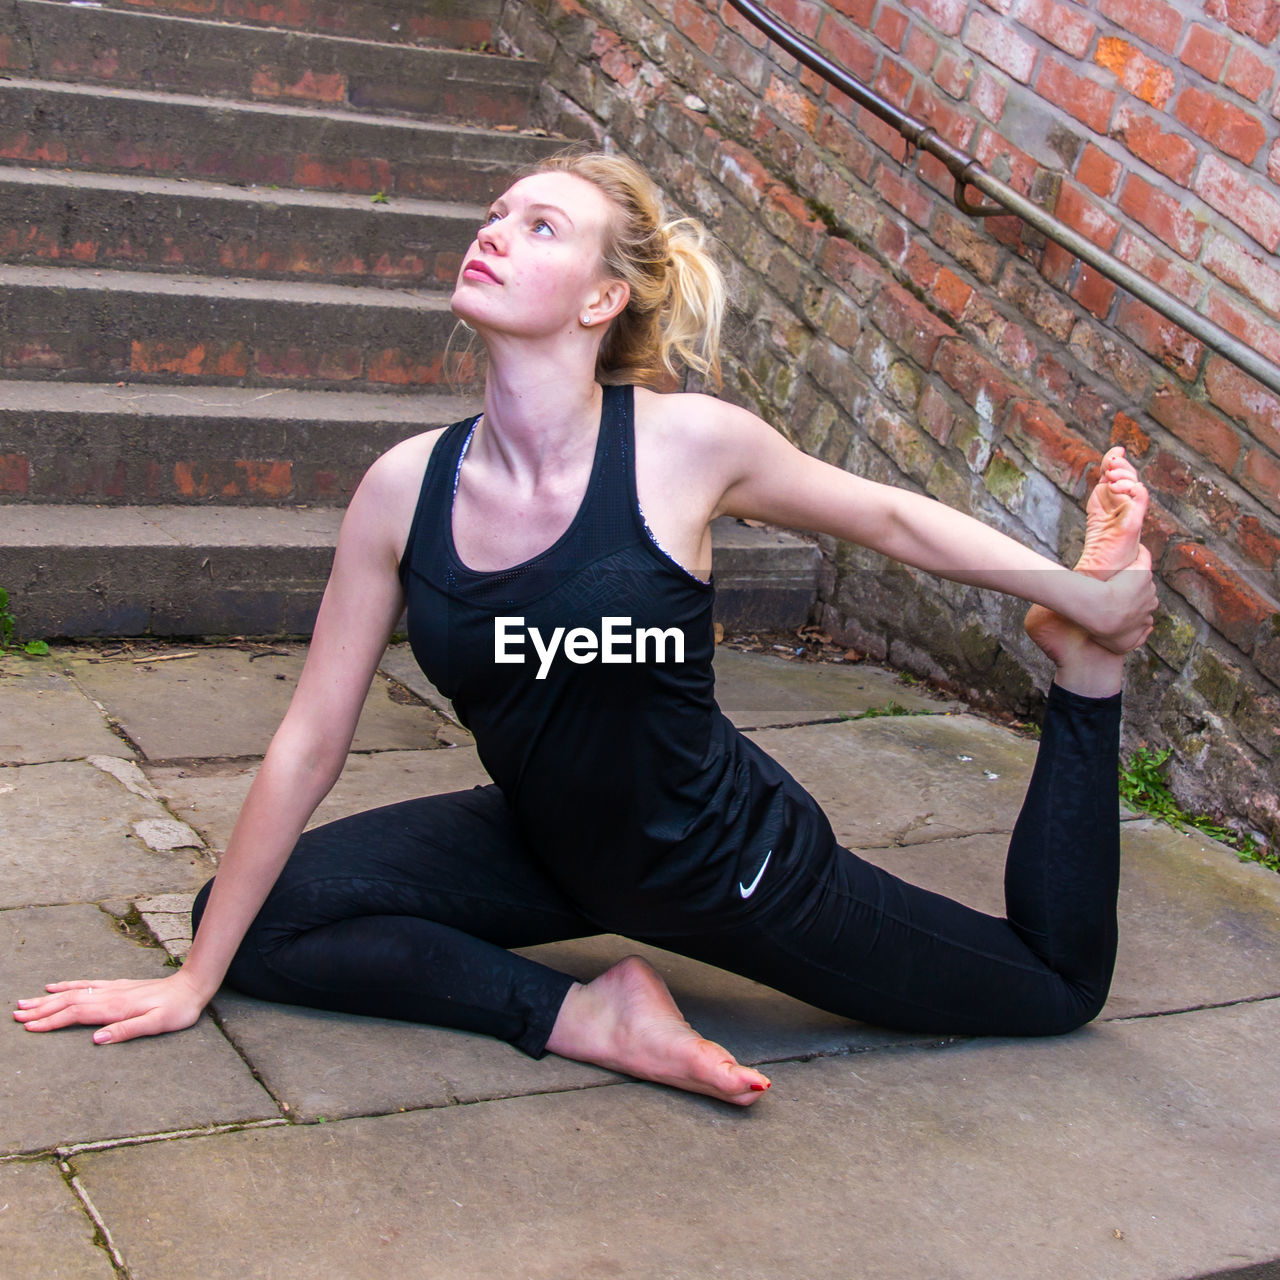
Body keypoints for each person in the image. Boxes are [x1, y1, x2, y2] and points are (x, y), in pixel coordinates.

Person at [14, 149, 1157, 1107]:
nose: (497, 231)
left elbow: (888, 516)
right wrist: (192, 981)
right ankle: (587, 1014)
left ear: (601, 296)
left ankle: (1083, 679)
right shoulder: (404, 487)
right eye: (496, 212)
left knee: (1050, 985)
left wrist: (1076, 592)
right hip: (545, 847)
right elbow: (310, 738)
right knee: (243, 918)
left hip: (728, 867)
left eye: (541, 223)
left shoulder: (682, 446)